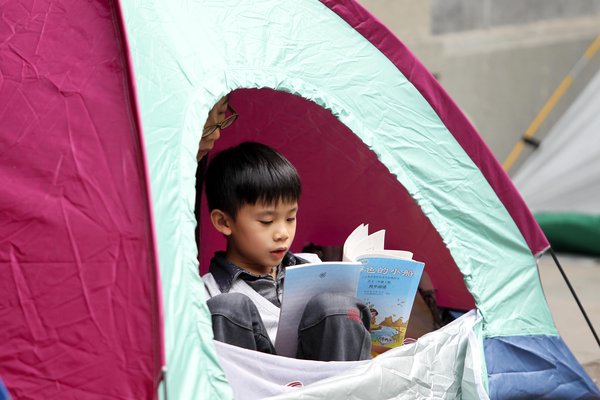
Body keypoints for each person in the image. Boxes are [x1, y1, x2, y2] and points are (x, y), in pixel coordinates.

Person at [202, 141, 372, 361]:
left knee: (335, 305)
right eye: (267, 221)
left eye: (290, 218)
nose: (282, 233)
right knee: (227, 308)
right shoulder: (207, 291)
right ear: (224, 222)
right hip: (254, 389)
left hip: (327, 387)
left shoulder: (315, 268)